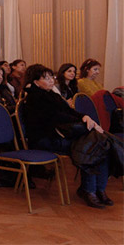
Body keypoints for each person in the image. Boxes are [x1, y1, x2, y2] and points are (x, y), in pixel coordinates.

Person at [21, 64, 112, 208]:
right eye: (46, 78)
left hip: (61, 136)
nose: (51, 80)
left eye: (52, 77)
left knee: (100, 144)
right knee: (91, 146)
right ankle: (88, 190)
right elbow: (55, 118)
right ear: (35, 82)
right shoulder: (34, 98)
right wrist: (82, 121)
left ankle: (99, 189)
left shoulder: (51, 95)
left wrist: (85, 117)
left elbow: (68, 112)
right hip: (45, 139)